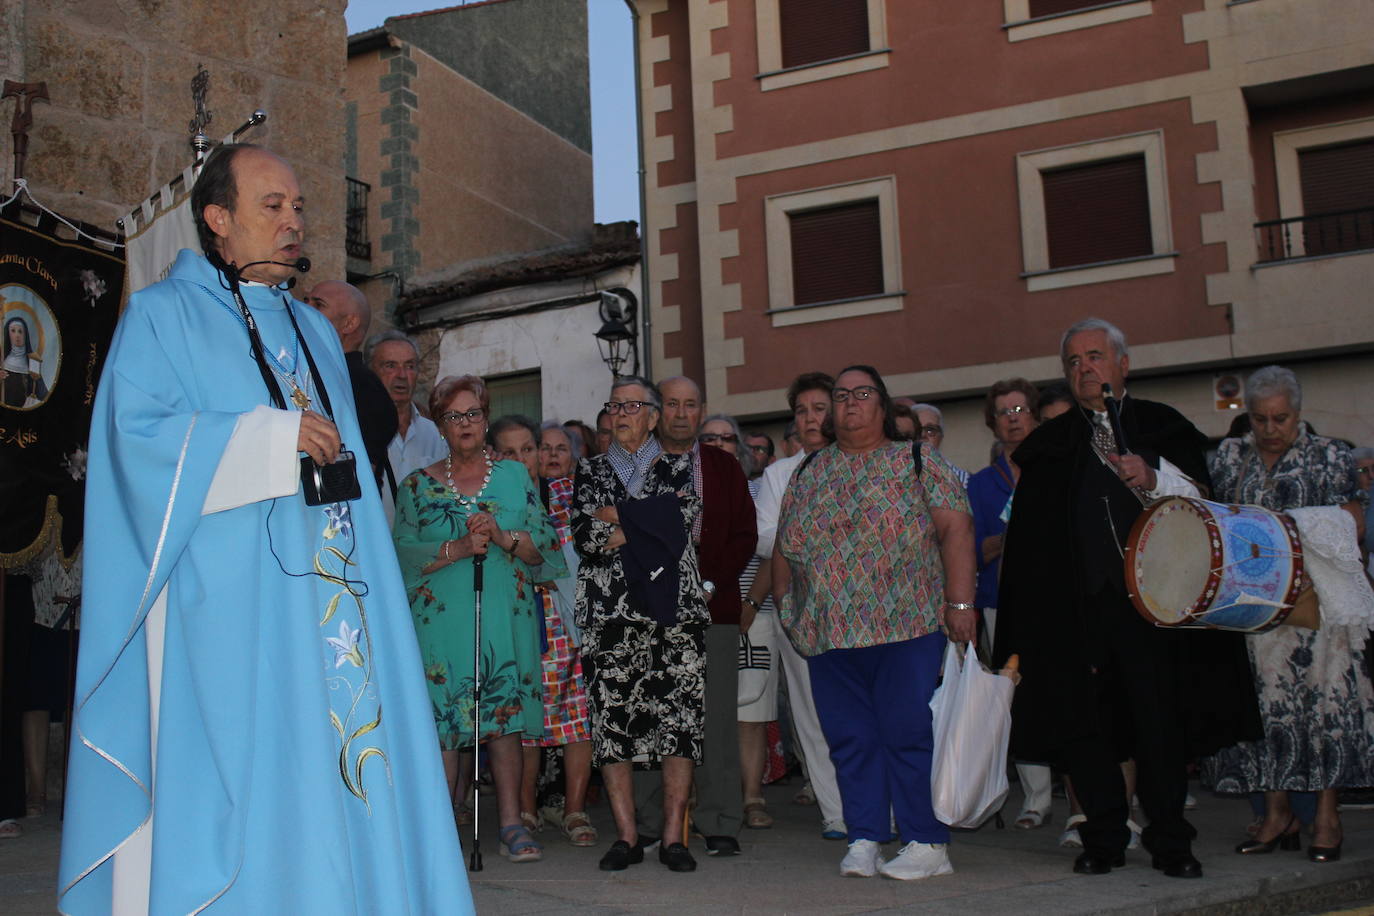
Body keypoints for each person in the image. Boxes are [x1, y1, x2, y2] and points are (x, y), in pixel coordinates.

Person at [59, 143, 471, 913]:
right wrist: (262, 438)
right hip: (230, 609)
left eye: (298, 206)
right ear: (218, 219)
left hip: (336, 596)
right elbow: (136, 444)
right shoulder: (160, 315)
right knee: (257, 770)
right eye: (272, 207)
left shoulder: (316, 334)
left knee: (346, 757)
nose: (294, 221)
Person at [994, 317, 1260, 880]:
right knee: (1087, 729)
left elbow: (1208, 507)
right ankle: (1104, 834)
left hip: (1157, 612)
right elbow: (1030, 545)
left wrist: (1153, 474)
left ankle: (1170, 841)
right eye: (1073, 361)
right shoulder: (1049, 446)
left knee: (1159, 724)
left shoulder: (1163, 427)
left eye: (1094, 356)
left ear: (1122, 364)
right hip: (1078, 613)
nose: (1085, 368)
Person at [774, 365, 977, 881]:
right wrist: (787, 606)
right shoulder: (809, 470)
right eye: (840, 396)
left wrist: (960, 605)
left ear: (882, 406)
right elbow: (785, 546)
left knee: (906, 732)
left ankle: (927, 842)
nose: (849, 404)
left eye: (862, 394)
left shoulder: (917, 460)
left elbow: (956, 529)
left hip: (906, 625)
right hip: (830, 632)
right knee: (849, 738)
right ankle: (864, 836)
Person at [1201, 366, 1373, 863]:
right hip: (1253, 611)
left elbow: (1353, 523)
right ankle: (1277, 815)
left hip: (1315, 610)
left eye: (1281, 418)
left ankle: (1327, 819)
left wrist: (1289, 532)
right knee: (1264, 713)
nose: (1271, 429)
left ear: (1299, 415)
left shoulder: (1329, 455)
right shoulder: (1231, 456)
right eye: (1260, 419)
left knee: (1323, 714)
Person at [393, 379, 561, 864]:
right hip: (440, 620)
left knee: (503, 720)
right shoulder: (417, 486)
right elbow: (400, 556)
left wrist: (505, 538)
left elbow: (544, 550)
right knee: (446, 721)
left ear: (485, 418)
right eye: (453, 416)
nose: (464, 424)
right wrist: (457, 548)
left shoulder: (513, 476)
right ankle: (441, 828)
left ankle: (511, 822)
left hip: (500, 616)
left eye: (472, 414)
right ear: (440, 425)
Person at [572, 376, 709, 873]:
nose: (622, 413)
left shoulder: (679, 466)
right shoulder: (588, 470)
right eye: (614, 405)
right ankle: (627, 837)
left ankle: (674, 837)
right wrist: (645, 521)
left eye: (633, 405)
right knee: (612, 725)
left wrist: (622, 521)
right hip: (609, 615)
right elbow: (586, 537)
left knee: (679, 724)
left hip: (675, 614)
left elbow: (679, 527)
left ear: (653, 416)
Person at [635, 378, 757, 858]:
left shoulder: (724, 467)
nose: (682, 413)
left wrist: (706, 586)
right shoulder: (635, 466)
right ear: (656, 411)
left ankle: (720, 819)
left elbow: (745, 537)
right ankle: (650, 820)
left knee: (716, 718)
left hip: (714, 608)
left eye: (690, 405)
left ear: (701, 411)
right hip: (648, 610)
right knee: (650, 714)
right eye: (672, 404)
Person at [495, 417, 597, 848]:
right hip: (516, 614)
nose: (524, 460)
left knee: (576, 715)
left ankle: (574, 809)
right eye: (511, 453)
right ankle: (525, 808)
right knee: (524, 715)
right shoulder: (493, 498)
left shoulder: (567, 495)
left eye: (530, 450)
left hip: (565, 617)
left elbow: (574, 556)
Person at [754, 372, 847, 841]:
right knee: (811, 710)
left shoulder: (855, 462)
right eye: (802, 411)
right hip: (800, 606)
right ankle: (835, 810)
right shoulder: (778, 474)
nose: (812, 418)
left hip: (857, 610)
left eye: (820, 408)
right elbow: (766, 536)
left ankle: (872, 802)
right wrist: (814, 537)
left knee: (856, 710)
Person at [965, 378, 1048, 829]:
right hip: (999, 601)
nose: (1013, 418)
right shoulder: (980, 484)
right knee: (1012, 698)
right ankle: (1035, 798)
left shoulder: (1054, 469)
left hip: (1053, 601)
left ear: (1034, 415)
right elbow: (971, 549)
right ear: (992, 423)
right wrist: (1003, 542)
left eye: (1020, 409)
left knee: (1053, 692)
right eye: (1004, 412)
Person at [306, 281, 397, 493]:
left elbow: (357, 474)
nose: (305, 310)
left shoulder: (361, 385)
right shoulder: (318, 372)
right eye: (305, 301)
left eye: (318, 305)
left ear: (349, 324)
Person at [368, 329, 447, 521]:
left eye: (410, 366)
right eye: (390, 366)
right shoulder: (359, 432)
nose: (402, 375)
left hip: (425, 548)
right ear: (370, 372)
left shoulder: (434, 434)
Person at [912, 402, 968, 485]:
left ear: (941, 436)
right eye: (917, 429)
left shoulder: (963, 480)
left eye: (930, 430)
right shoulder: (892, 476)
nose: (922, 435)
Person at [2, 315, 48, 408]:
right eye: (13, 331)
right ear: (8, 333)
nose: (17, 335)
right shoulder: (2, 361)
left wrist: (37, 381)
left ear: (25, 334)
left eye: (20, 331)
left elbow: (42, 394)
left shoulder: (32, 361)